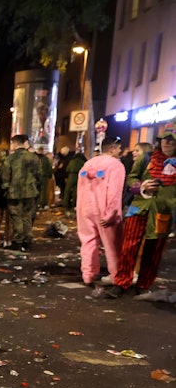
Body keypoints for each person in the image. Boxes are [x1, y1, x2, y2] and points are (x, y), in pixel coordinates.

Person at [107, 121, 176, 298]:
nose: (167, 143)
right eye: (164, 139)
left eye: (172, 140)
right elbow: (131, 179)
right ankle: (121, 283)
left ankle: (144, 284)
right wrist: (142, 187)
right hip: (139, 209)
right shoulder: (147, 158)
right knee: (129, 247)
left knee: (154, 250)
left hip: (162, 212)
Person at [75, 137, 125, 288]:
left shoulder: (87, 164)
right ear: (112, 149)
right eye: (118, 149)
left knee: (88, 242)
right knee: (112, 245)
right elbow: (114, 192)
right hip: (104, 209)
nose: (120, 152)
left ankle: (88, 275)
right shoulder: (116, 165)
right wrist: (112, 212)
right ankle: (117, 277)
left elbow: (80, 188)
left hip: (85, 208)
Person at [1, 134, 42, 251]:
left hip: (14, 193)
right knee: (27, 216)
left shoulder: (10, 159)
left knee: (16, 217)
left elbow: (5, 177)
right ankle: (28, 241)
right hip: (30, 192)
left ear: (15, 143)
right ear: (25, 143)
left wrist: (5, 189)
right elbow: (39, 175)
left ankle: (18, 241)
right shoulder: (33, 157)